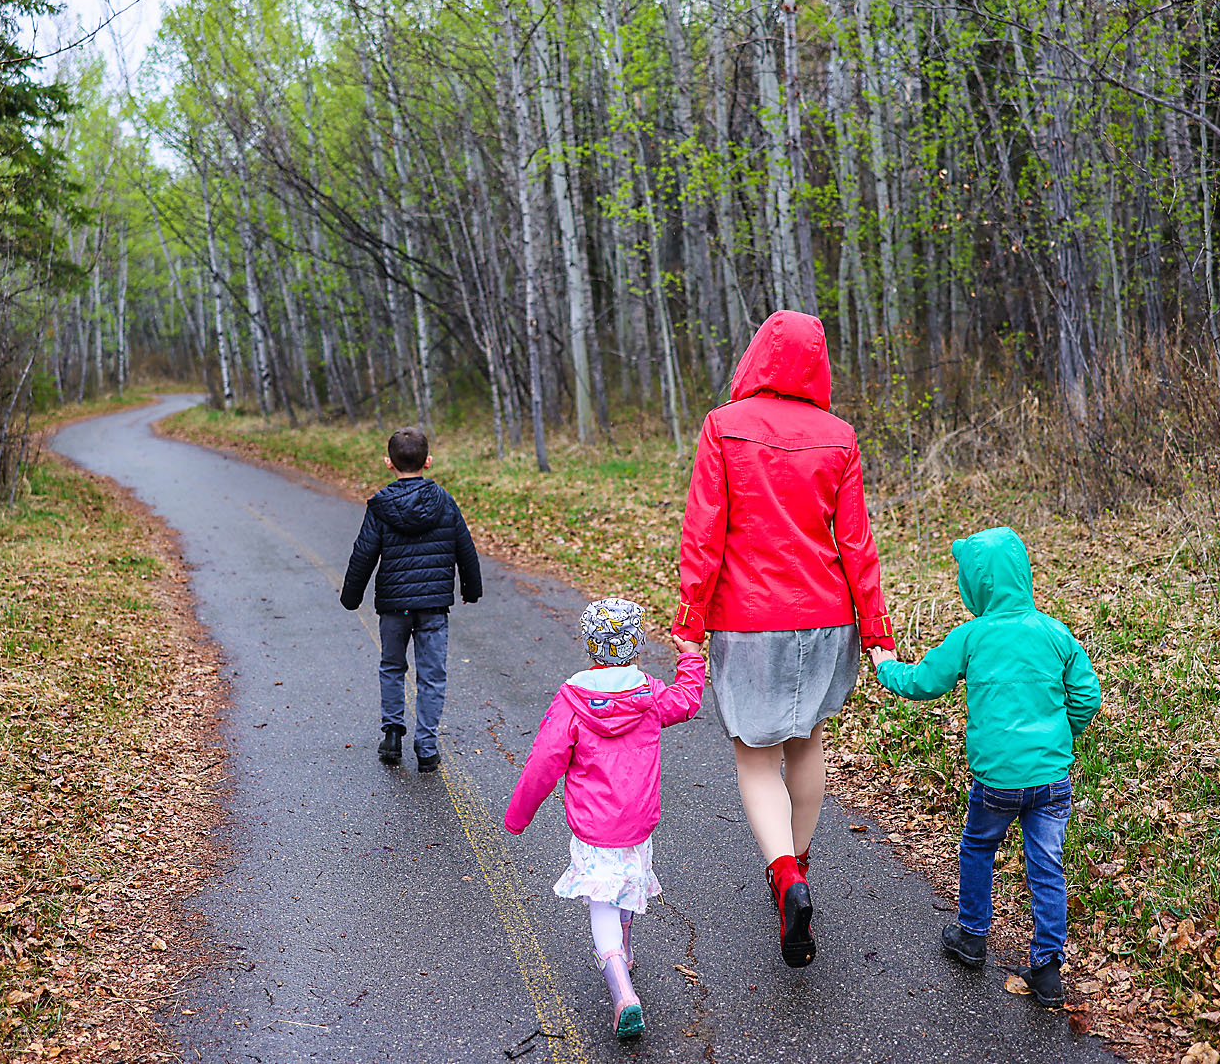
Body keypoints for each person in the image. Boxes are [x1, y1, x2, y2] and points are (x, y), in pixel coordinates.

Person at [673, 310, 895, 968]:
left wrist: (689, 622)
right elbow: (856, 542)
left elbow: (704, 534)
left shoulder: (723, 425)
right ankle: (797, 863)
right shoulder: (840, 436)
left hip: (749, 615)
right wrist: (878, 630)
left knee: (753, 756)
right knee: (807, 740)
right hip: (828, 614)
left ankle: (786, 877)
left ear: (759, 355)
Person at [869, 526, 1101, 1008]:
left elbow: (924, 682)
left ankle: (973, 936)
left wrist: (884, 664)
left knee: (978, 847)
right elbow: (1087, 695)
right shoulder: (1054, 633)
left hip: (995, 780)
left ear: (976, 584)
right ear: (1022, 575)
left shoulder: (971, 637)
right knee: (1046, 867)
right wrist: (1063, 737)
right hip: (1051, 780)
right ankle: (1048, 970)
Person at [504, 599, 705, 1040]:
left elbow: (543, 761)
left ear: (589, 644)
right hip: (638, 821)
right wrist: (691, 657)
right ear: (636, 643)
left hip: (594, 828)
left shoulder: (573, 701)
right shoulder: (649, 696)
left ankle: (622, 991)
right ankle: (627, 950)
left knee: (601, 901)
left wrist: (518, 817)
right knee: (628, 883)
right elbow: (688, 701)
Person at [341, 426, 482, 772]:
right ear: (428, 462)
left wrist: (351, 595)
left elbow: (364, 552)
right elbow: (464, 546)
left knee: (392, 666)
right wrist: (471, 589)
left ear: (388, 463)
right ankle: (427, 746)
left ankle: (392, 734)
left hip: (394, 606)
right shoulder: (445, 502)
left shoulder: (380, 505)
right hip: (433, 605)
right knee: (432, 675)